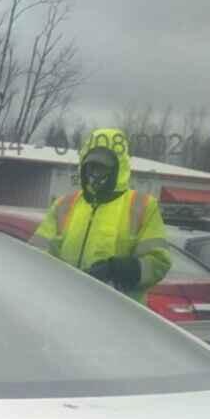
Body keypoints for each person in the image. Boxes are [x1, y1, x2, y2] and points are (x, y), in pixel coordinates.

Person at [30, 128, 171, 302]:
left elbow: (158, 263)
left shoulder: (143, 206)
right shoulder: (63, 204)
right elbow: (35, 255)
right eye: (91, 166)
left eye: (102, 167)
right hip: (64, 306)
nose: (94, 173)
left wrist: (119, 269)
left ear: (118, 168)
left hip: (118, 314)